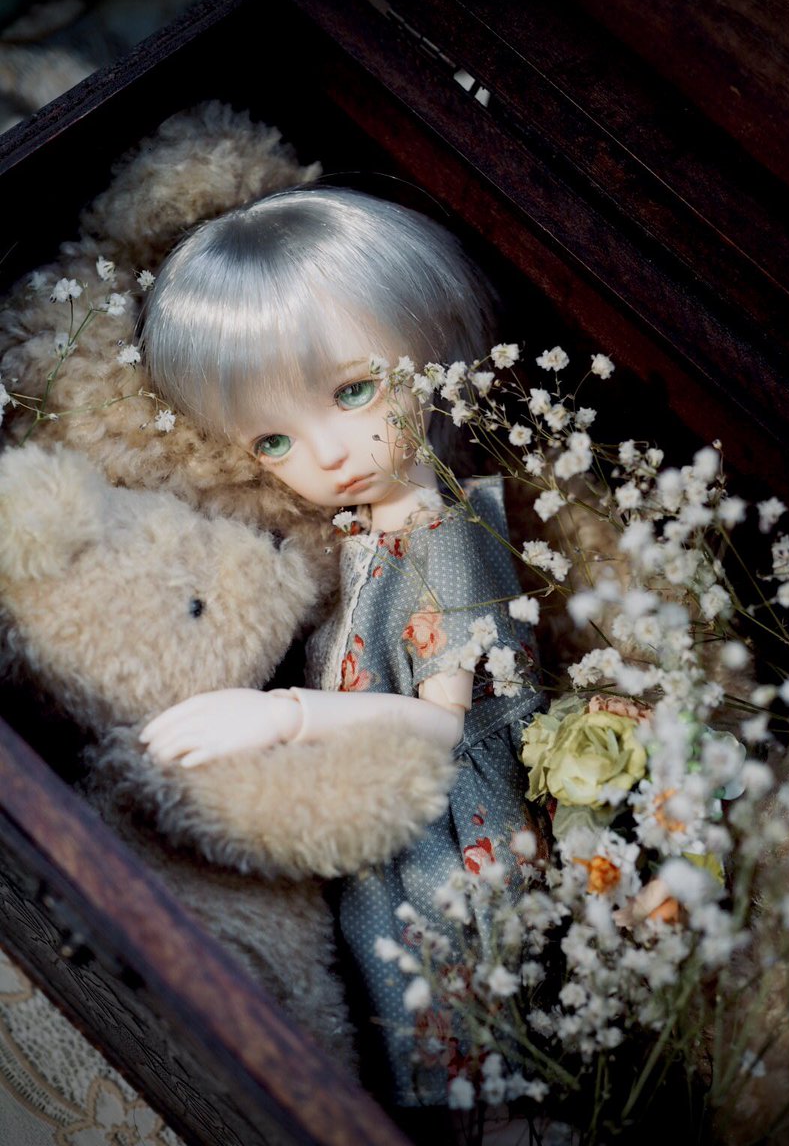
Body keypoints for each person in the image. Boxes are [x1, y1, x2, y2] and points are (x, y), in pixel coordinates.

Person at [138, 186, 545, 1111]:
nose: (328, 455)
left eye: (354, 391)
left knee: (467, 1040)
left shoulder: (446, 531)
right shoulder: (369, 538)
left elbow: (447, 726)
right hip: (389, 827)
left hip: (456, 831)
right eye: (274, 440)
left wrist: (284, 715)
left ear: (431, 341)